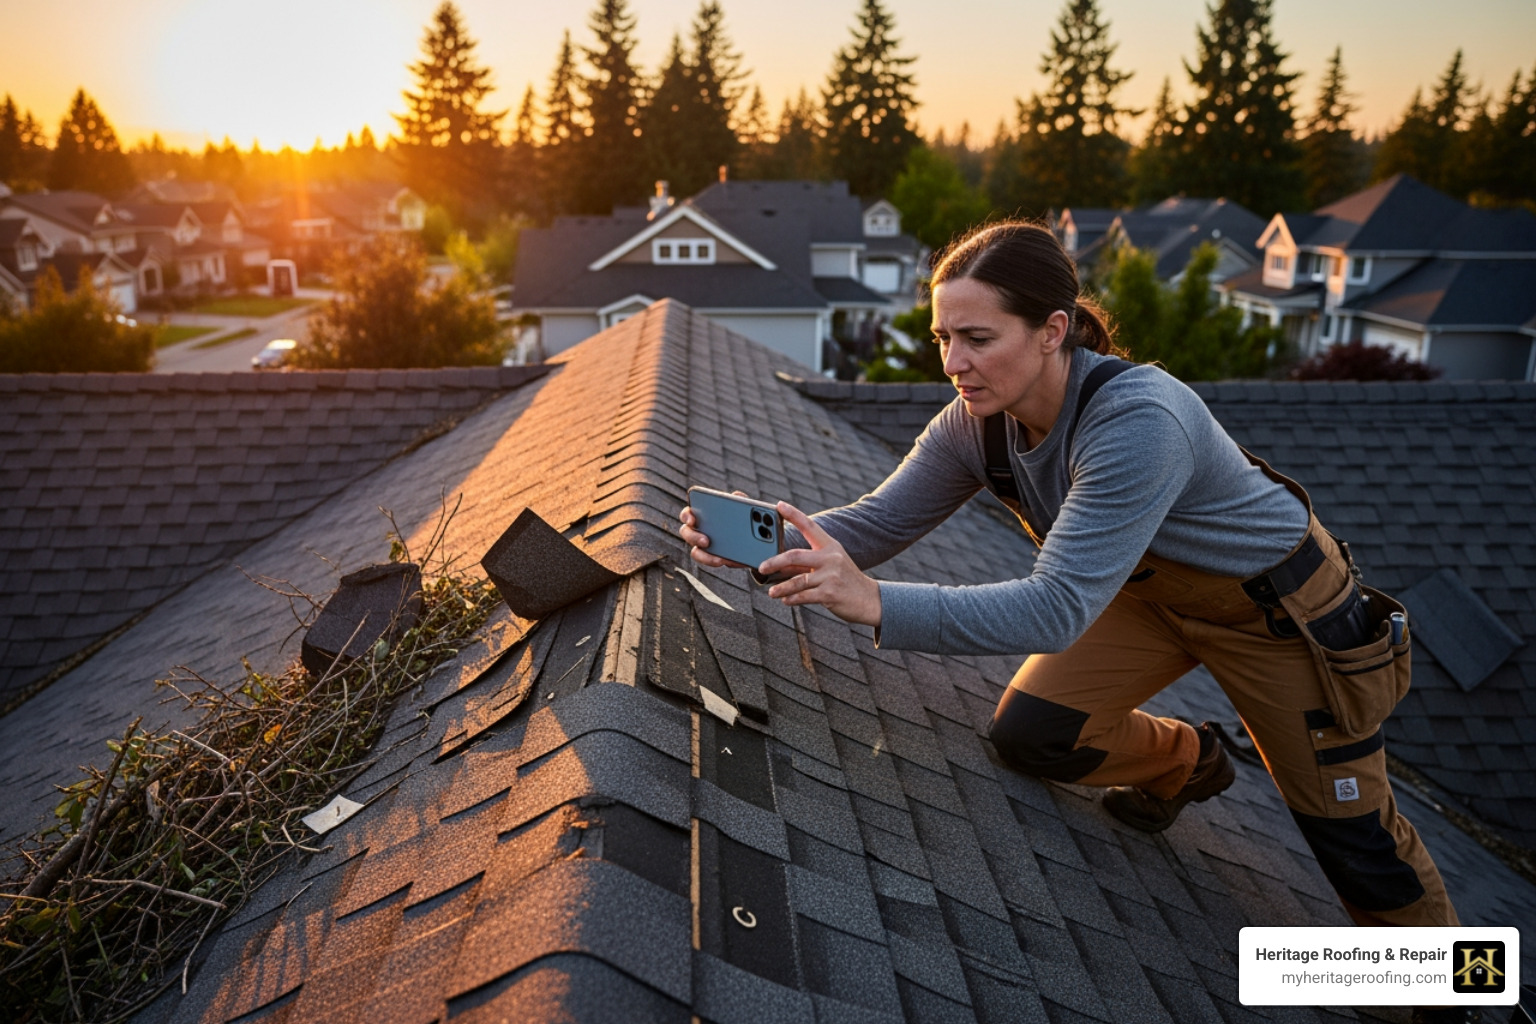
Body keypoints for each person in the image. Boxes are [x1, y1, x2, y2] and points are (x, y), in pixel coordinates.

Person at [679, 221, 1461, 939]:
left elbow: (1056, 608)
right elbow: (879, 523)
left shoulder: (1138, 421)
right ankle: (1190, 763)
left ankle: (1455, 999)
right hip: (1147, 597)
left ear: (1053, 331)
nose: (955, 363)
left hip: (1278, 615)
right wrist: (771, 546)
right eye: (943, 337)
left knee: (1353, 841)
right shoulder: (975, 420)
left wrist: (876, 603)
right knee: (1032, 736)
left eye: (979, 338)